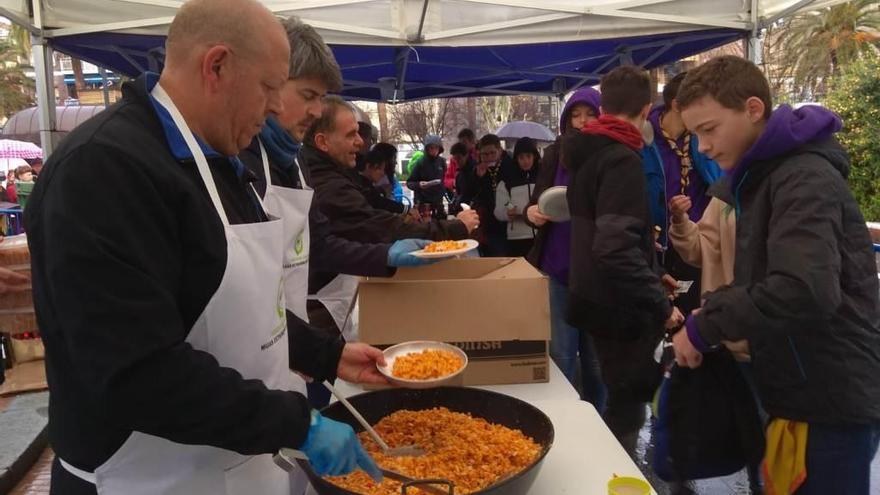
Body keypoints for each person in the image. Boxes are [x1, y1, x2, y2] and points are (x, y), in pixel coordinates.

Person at [25, 2, 387, 494]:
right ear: (216, 66)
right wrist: (295, 423)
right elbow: (138, 373)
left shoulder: (220, 163)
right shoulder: (104, 169)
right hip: (140, 477)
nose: (277, 108)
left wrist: (329, 355)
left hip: (230, 465)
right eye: (267, 87)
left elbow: (249, 308)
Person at [672, 55, 880, 495]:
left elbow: (803, 289)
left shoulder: (802, 177)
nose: (703, 147)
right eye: (695, 136)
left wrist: (706, 324)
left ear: (752, 109)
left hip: (828, 400)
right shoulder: (763, 179)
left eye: (709, 130)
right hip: (797, 390)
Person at [237, 17, 431, 414]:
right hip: (250, 352)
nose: (315, 111)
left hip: (288, 334)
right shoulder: (238, 162)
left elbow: (320, 244)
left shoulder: (295, 164)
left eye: (321, 99)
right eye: (308, 95)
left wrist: (386, 256)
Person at [564, 66, 684, 454]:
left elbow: (612, 235)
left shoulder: (587, 153)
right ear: (648, 108)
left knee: (616, 397)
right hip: (619, 306)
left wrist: (655, 271)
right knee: (627, 409)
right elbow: (614, 246)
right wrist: (659, 303)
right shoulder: (620, 159)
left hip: (593, 295)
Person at [302, 96, 478, 246]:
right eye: (350, 135)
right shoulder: (327, 183)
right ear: (322, 142)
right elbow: (377, 226)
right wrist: (454, 227)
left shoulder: (334, 174)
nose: (361, 142)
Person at [524, 87, 606, 409]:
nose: (582, 122)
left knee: (596, 361)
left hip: (597, 274)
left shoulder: (610, 154)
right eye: (576, 114)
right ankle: (565, 421)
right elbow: (537, 201)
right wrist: (533, 213)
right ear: (566, 119)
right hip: (557, 267)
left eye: (590, 114)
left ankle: (600, 424)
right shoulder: (554, 153)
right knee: (561, 355)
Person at [643, 71, 722, 316]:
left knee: (692, 311)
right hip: (656, 244)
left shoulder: (703, 139)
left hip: (696, 242)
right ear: (676, 105)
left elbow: (720, 181)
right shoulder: (647, 140)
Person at [459, 133, 515, 256]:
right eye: (485, 154)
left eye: (492, 153)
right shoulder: (477, 168)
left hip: (508, 219)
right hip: (488, 222)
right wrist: (479, 177)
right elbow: (468, 194)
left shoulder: (510, 165)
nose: (489, 157)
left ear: (500, 151)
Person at [494, 137, 539, 257]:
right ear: (516, 158)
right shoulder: (507, 180)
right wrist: (507, 213)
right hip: (517, 238)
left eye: (528, 156)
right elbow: (499, 208)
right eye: (521, 157)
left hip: (541, 235)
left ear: (534, 156)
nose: (525, 161)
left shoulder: (543, 177)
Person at [406, 134, 447, 220]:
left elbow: (444, 180)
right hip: (423, 203)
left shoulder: (442, 162)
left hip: (438, 203)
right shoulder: (420, 163)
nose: (434, 150)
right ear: (427, 149)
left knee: (440, 229)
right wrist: (419, 185)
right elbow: (409, 183)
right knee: (424, 229)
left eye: (436, 148)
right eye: (431, 148)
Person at [444, 128, 478, 194]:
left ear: (472, 142)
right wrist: (454, 182)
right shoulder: (454, 159)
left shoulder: (479, 156)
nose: (462, 145)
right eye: (460, 142)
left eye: (464, 142)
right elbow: (446, 179)